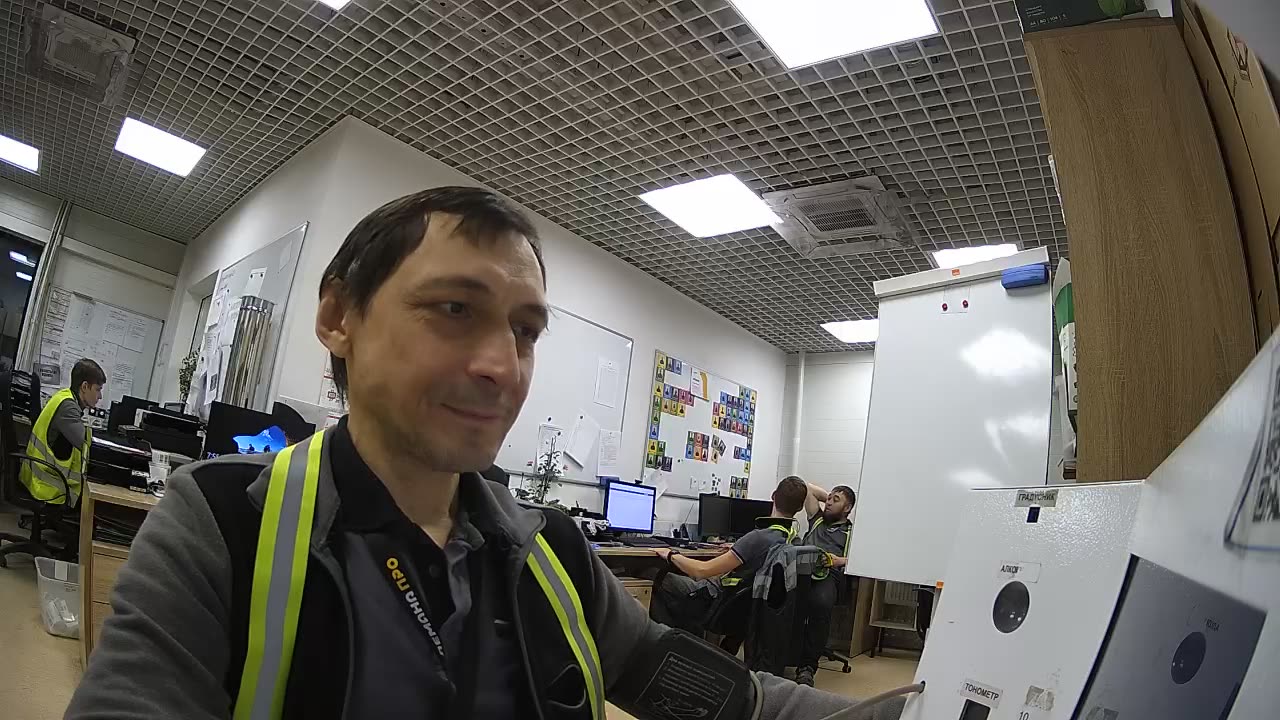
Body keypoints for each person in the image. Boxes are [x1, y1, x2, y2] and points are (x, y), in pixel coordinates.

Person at [66, 189, 881, 720]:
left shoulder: (552, 552)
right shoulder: (224, 523)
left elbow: (725, 698)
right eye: (455, 309)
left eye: (525, 331)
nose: (502, 365)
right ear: (339, 316)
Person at [649, 476, 808, 636]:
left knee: (652, 574)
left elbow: (701, 571)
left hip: (714, 599)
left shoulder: (758, 538)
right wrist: (739, 547)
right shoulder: (794, 541)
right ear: (800, 507)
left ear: (773, 496)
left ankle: (667, 639)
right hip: (745, 610)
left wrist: (671, 554)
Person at [795, 482, 856, 687]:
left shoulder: (851, 532)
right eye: (828, 498)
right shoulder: (817, 520)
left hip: (829, 574)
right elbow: (806, 488)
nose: (828, 502)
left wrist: (838, 560)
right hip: (801, 571)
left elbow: (860, 560)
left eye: (835, 500)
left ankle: (807, 667)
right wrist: (832, 497)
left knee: (820, 603)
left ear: (847, 508)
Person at [21, 358, 105, 508]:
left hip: (38, 477)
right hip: (47, 487)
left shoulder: (64, 396)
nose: (100, 397)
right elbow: (88, 447)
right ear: (85, 386)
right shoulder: (68, 408)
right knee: (98, 503)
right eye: (98, 390)